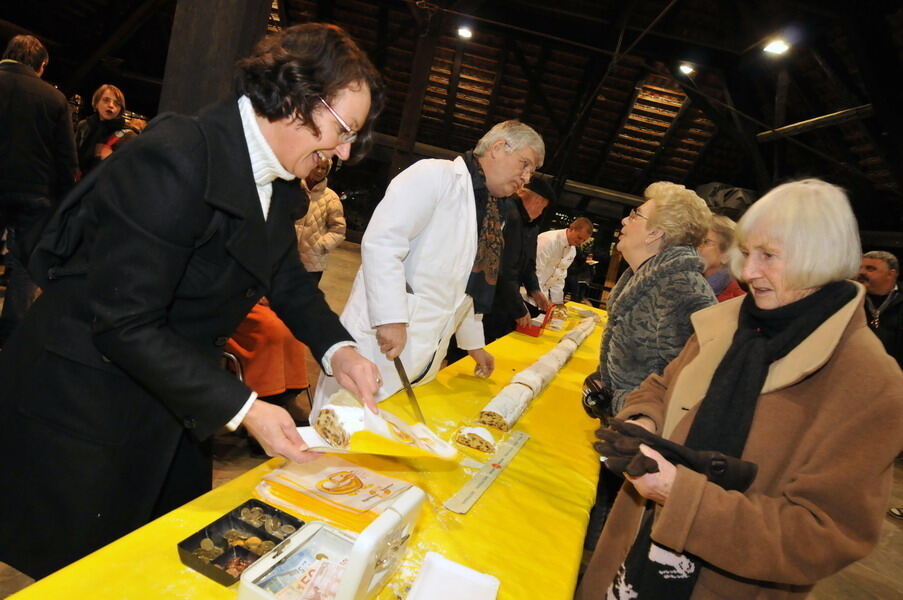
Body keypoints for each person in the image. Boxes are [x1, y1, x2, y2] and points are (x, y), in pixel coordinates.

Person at [0, 23, 383, 578]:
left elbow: (286, 279)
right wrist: (248, 408)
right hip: (87, 393)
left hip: (171, 392)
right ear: (295, 99)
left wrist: (338, 349)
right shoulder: (179, 152)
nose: (343, 150)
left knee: (165, 557)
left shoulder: (276, 183)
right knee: (82, 569)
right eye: (343, 129)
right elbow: (123, 323)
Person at [579, 179, 903, 600]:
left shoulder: (870, 381)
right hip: (629, 560)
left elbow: (823, 536)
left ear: (819, 260)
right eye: (747, 254)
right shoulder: (728, 321)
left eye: (768, 257)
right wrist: (643, 420)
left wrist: (682, 498)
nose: (747, 273)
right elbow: (661, 384)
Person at [312, 120, 545, 417]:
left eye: (531, 171)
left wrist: (473, 344)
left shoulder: (492, 211)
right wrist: (391, 317)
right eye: (524, 165)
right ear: (498, 148)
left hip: (424, 352)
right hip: (383, 341)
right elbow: (383, 243)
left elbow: (468, 286)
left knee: (383, 438)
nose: (525, 177)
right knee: (341, 428)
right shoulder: (436, 176)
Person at [583, 181, 715, 550]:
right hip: (624, 430)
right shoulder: (642, 274)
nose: (625, 220)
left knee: (614, 542)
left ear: (656, 233)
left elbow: (690, 386)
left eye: (636, 214)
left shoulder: (683, 291)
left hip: (649, 447)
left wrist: (626, 402)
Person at [0, 35, 78, 347]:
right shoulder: (54, 98)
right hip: (35, 192)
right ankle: (11, 337)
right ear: (41, 65)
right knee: (24, 265)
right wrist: (63, 199)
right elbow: (66, 158)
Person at [482, 177, 553, 345]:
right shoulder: (509, 214)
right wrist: (518, 308)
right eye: (541, 207)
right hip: (489, 298)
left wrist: (534, 290)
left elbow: (528, 264)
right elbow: (504, 269)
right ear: (535, 200)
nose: (541, 213)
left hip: (505, 300)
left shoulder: (531, 225)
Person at [296, 153, 345, 283]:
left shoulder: (331, 198)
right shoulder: (294, 188)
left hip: (313, 263)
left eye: (324, 168)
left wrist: (322, 245)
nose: (319, 171)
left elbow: (338, 229)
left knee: (304, 299)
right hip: (286, 256)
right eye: (317, 166)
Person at [530, 217, 593, 309]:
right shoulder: (549, 240)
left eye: (583, 240)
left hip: (543, 296)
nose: (580, 242)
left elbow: (560, 276)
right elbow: (535, 269)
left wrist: (558, 303)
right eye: (579, 237)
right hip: (527, 293)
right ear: (571, 229)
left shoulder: (572, 251)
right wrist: (539, 295)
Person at [74, 84, 136, 174]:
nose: (111, 105)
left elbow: (131, 170)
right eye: (106, 100)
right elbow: (73, 155)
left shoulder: (128, 136)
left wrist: (111, 159)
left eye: (117, 103)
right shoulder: (84, 125)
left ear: (120, 110)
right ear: (96, 103)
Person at [857, 250, 901, 367]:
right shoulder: (849, 298)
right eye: (860, 267)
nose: (861, 272)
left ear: (891, 274)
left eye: (870, 268)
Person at [698, 213, 745, 301]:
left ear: (726, 254)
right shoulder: (690, 283)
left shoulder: (736, 301)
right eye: (697, 240)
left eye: (705, 242)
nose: (697, 247)